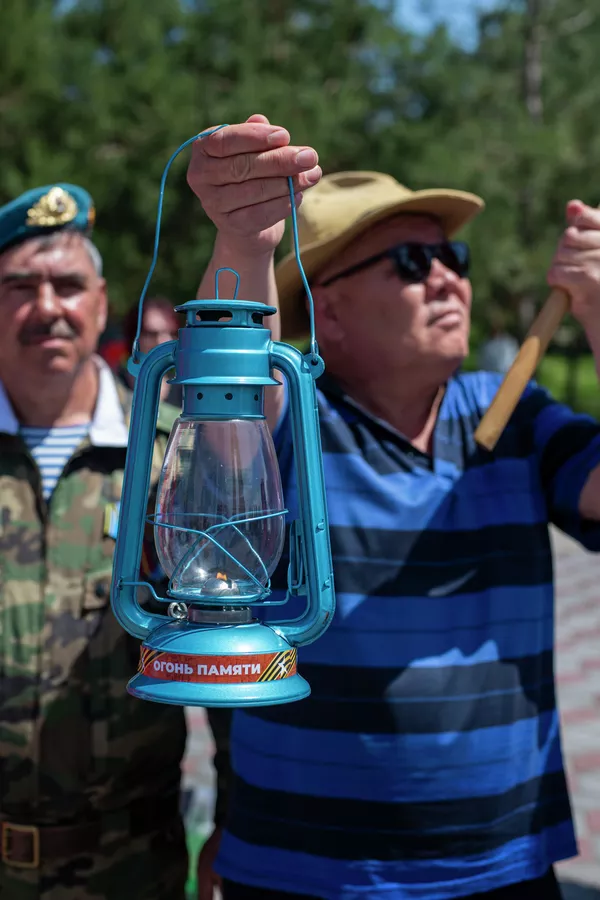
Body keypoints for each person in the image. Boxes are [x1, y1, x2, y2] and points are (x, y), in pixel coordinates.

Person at [187, 116, 600, 900]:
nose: (447, 278)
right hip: (303, 874)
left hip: (507, 869)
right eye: (412, 261)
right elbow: (231, 402)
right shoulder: (292, 420)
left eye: (453, 257)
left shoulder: (513, 414)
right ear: (331, 312)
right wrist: (243, 241)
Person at [0, 183, 188, 899]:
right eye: (21, 287)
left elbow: (227, 630)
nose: (47, 307)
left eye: (69, 286)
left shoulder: (168, 455)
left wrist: (237, 818)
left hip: (131, 870)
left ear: (103, 304)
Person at [119, 296, 183, 406]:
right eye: (152, 334)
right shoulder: (113, 387)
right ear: (134, 337)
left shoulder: (188, 394)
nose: (163, 341)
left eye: (172, 333)